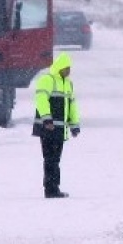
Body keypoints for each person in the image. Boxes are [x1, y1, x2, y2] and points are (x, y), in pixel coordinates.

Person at [32, 52, 80, 198]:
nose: (68, 71)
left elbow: (72, 105)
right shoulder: (47, 80)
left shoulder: (68, 84)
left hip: (59, 129)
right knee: (50, 159)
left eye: (69, 68)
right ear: (59, 67)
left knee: (55, 159)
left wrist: (74, 124)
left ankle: (54, 188)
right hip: (47, 128)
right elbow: (41, 99)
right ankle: (50, 189)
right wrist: (47, 119)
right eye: (66, 68)